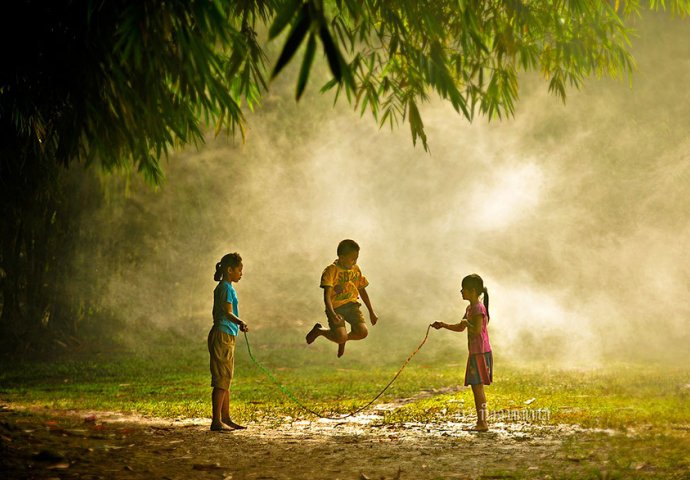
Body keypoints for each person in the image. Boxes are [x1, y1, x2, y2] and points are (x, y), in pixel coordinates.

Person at [432, 274, 492, 432]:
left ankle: (482, 423)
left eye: (463, 289)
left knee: (477, 387)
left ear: (472, 291)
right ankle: (482, 421)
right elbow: (461, 327)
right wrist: (443, 325)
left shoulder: (478, 308)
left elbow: (477, 330)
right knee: (476, 387)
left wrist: (467, 323)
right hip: (475, 352)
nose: (461, 292)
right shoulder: (470, 308)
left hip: (480, 352)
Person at [305, 239, 378, 357]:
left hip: (352, 305)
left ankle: (342, 339)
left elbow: (362, 289)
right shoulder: (331, 271)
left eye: (357, 258)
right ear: (342, 258)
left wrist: (371, 311)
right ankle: (320, 330)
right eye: (352, 258)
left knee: (363, 332)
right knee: (340, 337)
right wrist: (332, 314)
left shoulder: (355, 269)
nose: (355, 262)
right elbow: (327, 296)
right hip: (336, 308)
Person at [208, 252, 249, 432]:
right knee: (221, 379)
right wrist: (240, 322)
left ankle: (225, 418)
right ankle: (216, 421)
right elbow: (227, 312)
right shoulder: (225, 288)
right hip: (223, 334)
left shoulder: (227, 287)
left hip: (227, 335)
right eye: (239, 270)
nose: (241, 273)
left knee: (226, 379)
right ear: (229, 270)